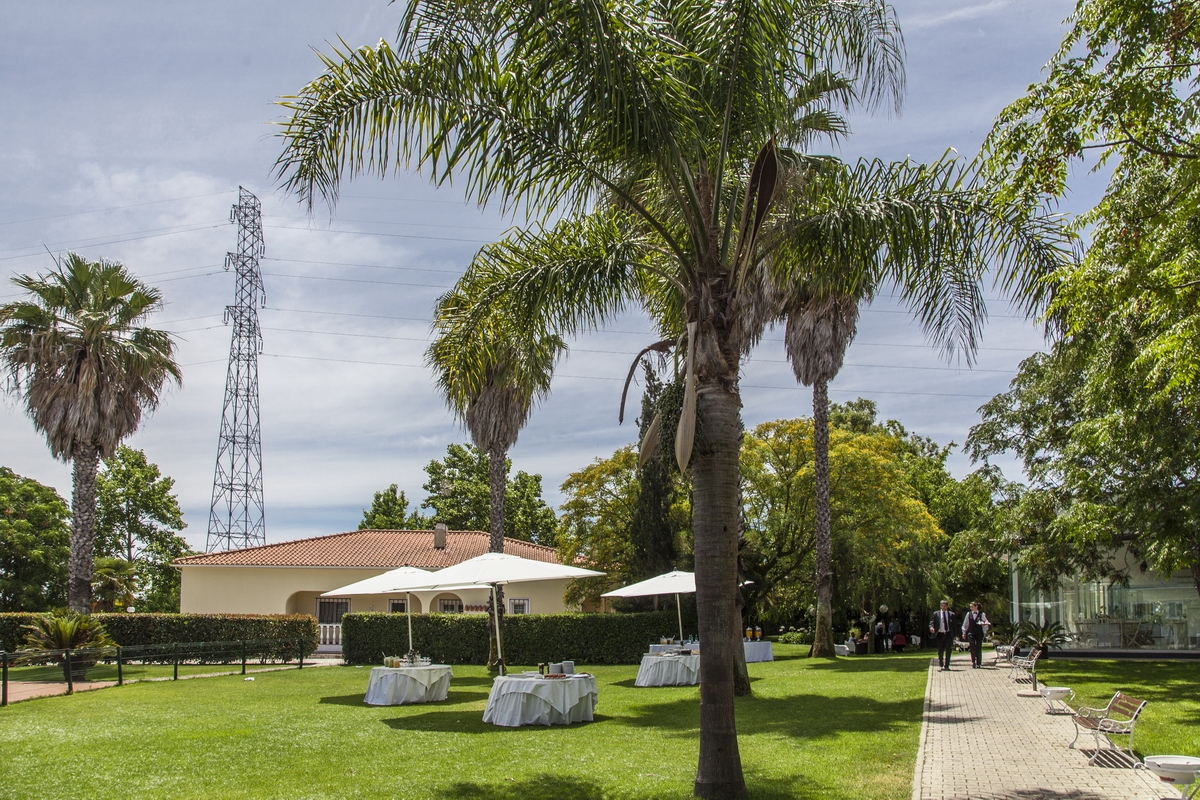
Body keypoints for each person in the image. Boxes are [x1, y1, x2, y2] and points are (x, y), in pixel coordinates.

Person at [928, 600, 957, 671]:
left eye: (945, 605)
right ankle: (940, 660)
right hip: (940, 634)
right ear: (940, 606)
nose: (943, 607)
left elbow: (954, 626)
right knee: (940, 650)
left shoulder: (951, 614)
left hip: (948, 634)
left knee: (948, 649)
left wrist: (956, 635)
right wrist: (931, 627)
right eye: (942, 605)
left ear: (947, 606)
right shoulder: (936, 614)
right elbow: (932, 622)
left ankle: (947, 665)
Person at [961, 601, 991, 669]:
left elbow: (985, 622)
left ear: (976, 607)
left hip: (979, 632)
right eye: (970, 607)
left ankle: (978, 662)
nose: (971, 608)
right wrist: (964, 632)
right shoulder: (968, 614)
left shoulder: (981, 614)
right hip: (971, 632)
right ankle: (973, 661)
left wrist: (984, 630)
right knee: (972, 646)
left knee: (978, 646)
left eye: (972, 607)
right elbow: (965, 624)